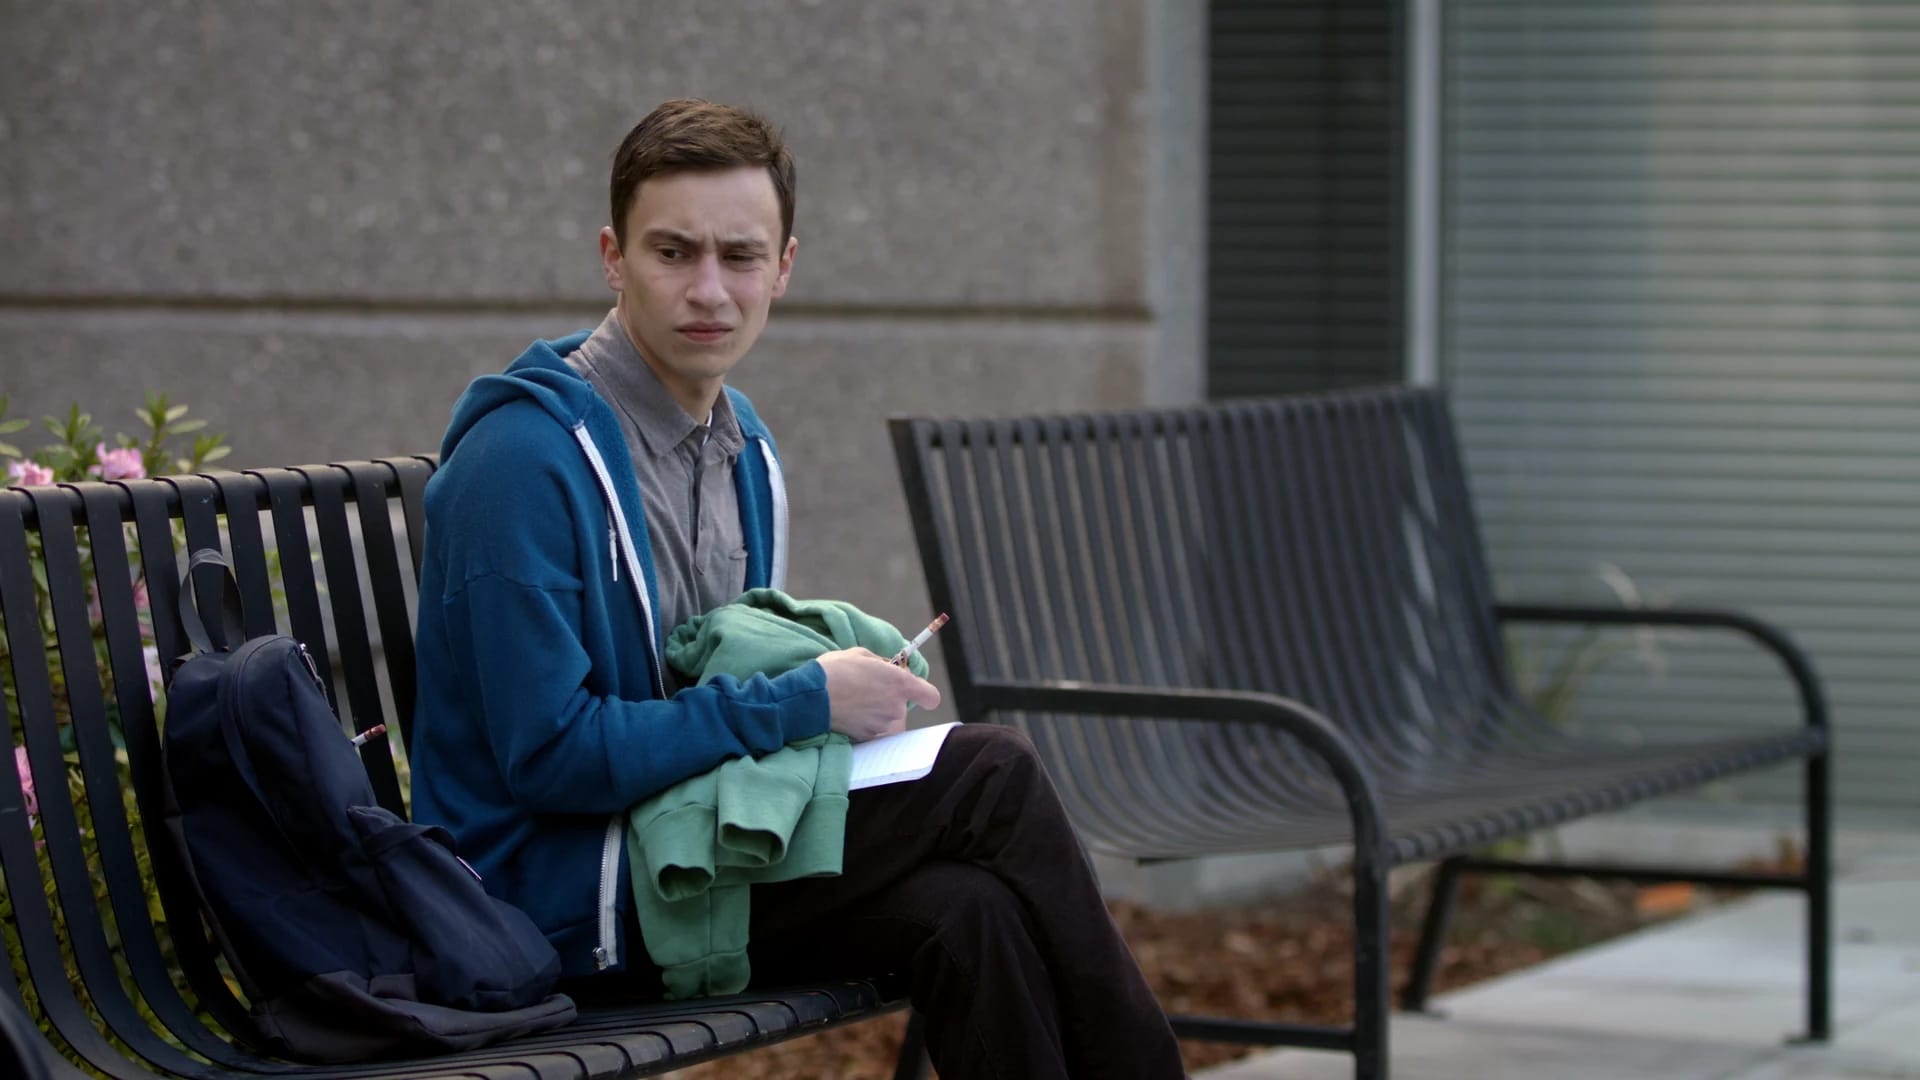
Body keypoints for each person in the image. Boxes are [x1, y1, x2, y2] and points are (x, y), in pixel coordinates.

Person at [408, 98, 1185, 1079]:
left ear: (783, 268)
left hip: (692, 848)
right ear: (613, 257)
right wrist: (807, 700)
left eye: (739, 256)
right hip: (562, 901)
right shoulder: (521, 462)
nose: (709, 290)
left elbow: (716, 695)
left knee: (970, 911)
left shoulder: (745, 451)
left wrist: (827, 705)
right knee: (992, 773)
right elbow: (551, 759)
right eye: (673, 252)